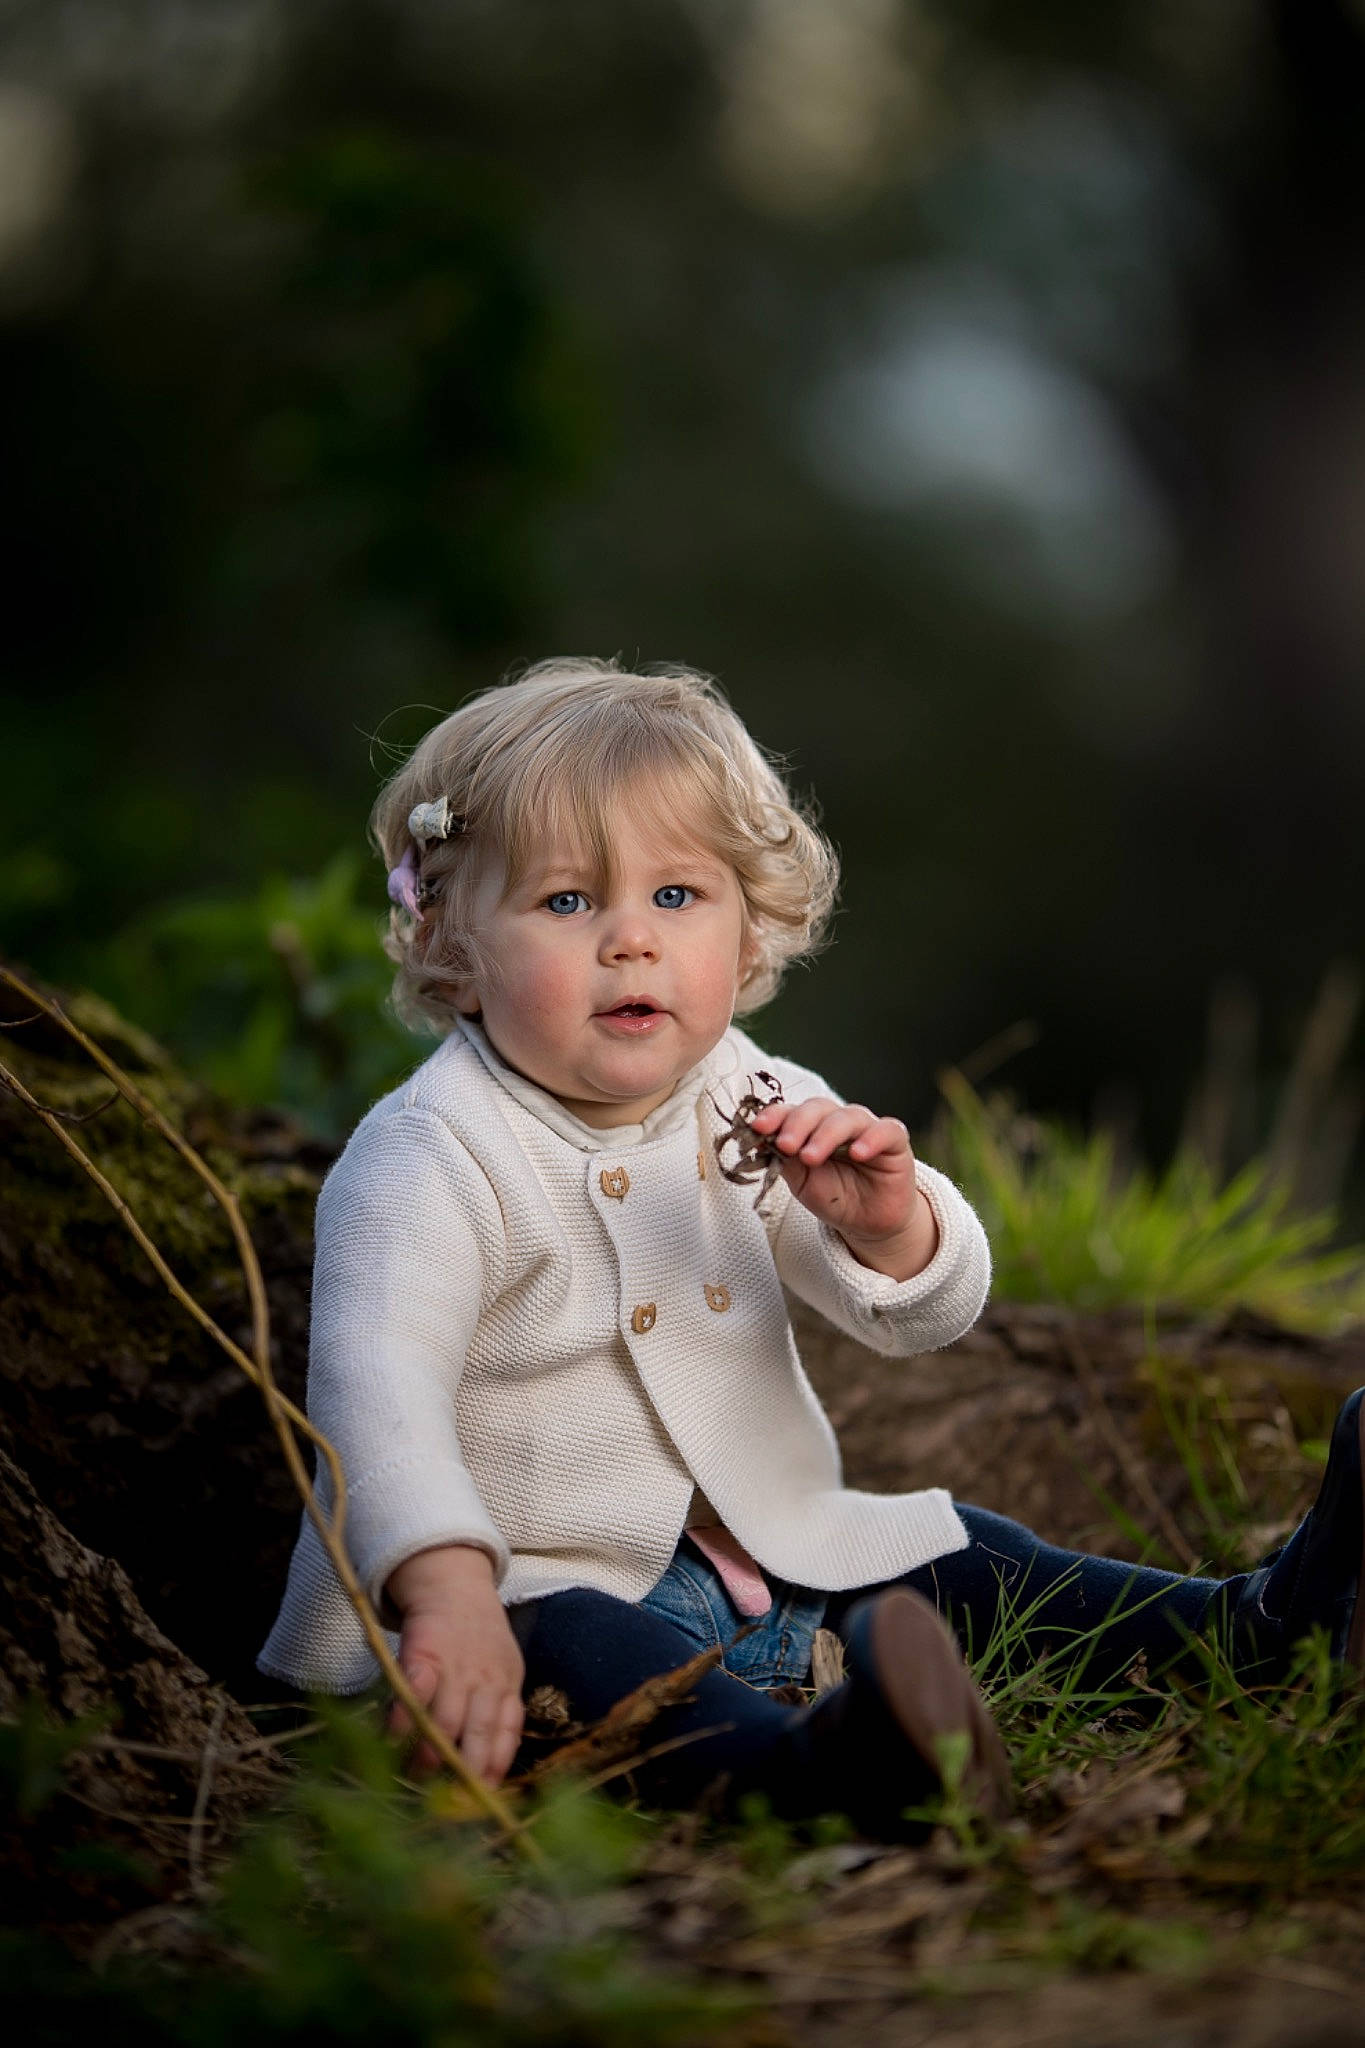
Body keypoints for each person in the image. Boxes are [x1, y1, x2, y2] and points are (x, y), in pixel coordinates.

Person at [259, 657, 1365, 1840]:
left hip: (772, 1554)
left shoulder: (746, 1088)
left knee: (954, 1549)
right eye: (568, 902)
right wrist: (448, 1590)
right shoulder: (427, 1154)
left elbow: (919, 1316)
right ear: (452, 940)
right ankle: (816, 1774)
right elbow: (376, 1398)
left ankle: (1262, 1630)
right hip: (519, 1594)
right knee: (582, 1643)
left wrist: (888, 1223)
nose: (631, 940)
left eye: (677, 896)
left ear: (746, 935)